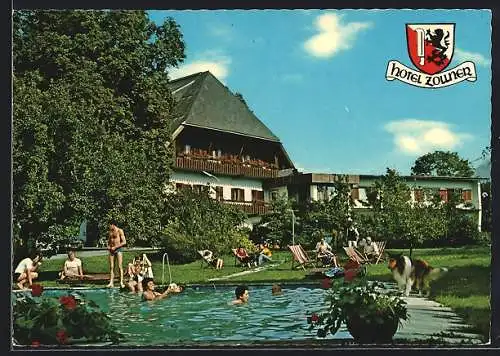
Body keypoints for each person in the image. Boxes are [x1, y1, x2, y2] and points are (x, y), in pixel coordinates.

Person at [106, 223, 127, 288]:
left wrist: (115, 247)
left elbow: (124, 242)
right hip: (111, 250)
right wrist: (108, 246)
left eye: (109, 225)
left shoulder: (119, 231)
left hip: (118, 249)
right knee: (111, 267)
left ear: (113, 224)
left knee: (119, 266)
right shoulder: (110, 232)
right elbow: (109, 241)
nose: (109, 227)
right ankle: (111, 282)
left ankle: (121, 282)